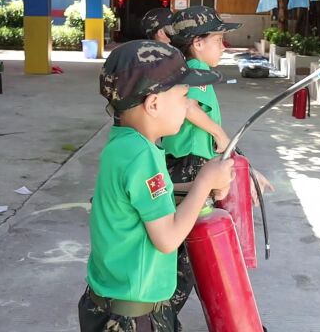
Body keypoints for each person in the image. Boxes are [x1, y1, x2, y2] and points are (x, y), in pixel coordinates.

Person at [78, 40, 234, 332]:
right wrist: (203, 182)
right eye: (183, 97)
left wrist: (202, 190)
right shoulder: (142, 156)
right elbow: (167, 238)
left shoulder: (126, 144)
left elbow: (147, 201)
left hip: (113, 302)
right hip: (132, 318)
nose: (187, 106)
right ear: (153, 104)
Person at [161, 5, 274, 320]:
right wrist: (222, 139)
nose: (223, 46)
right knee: (187, 262)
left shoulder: (192, 71)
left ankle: (232, 321)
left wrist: (246, 168)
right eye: (219, 39)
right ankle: (159, 321)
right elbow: (188, 107)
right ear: (197, 42)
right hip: (187, 167)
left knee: (198, 257)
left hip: (191, 164)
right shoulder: (193, 72)